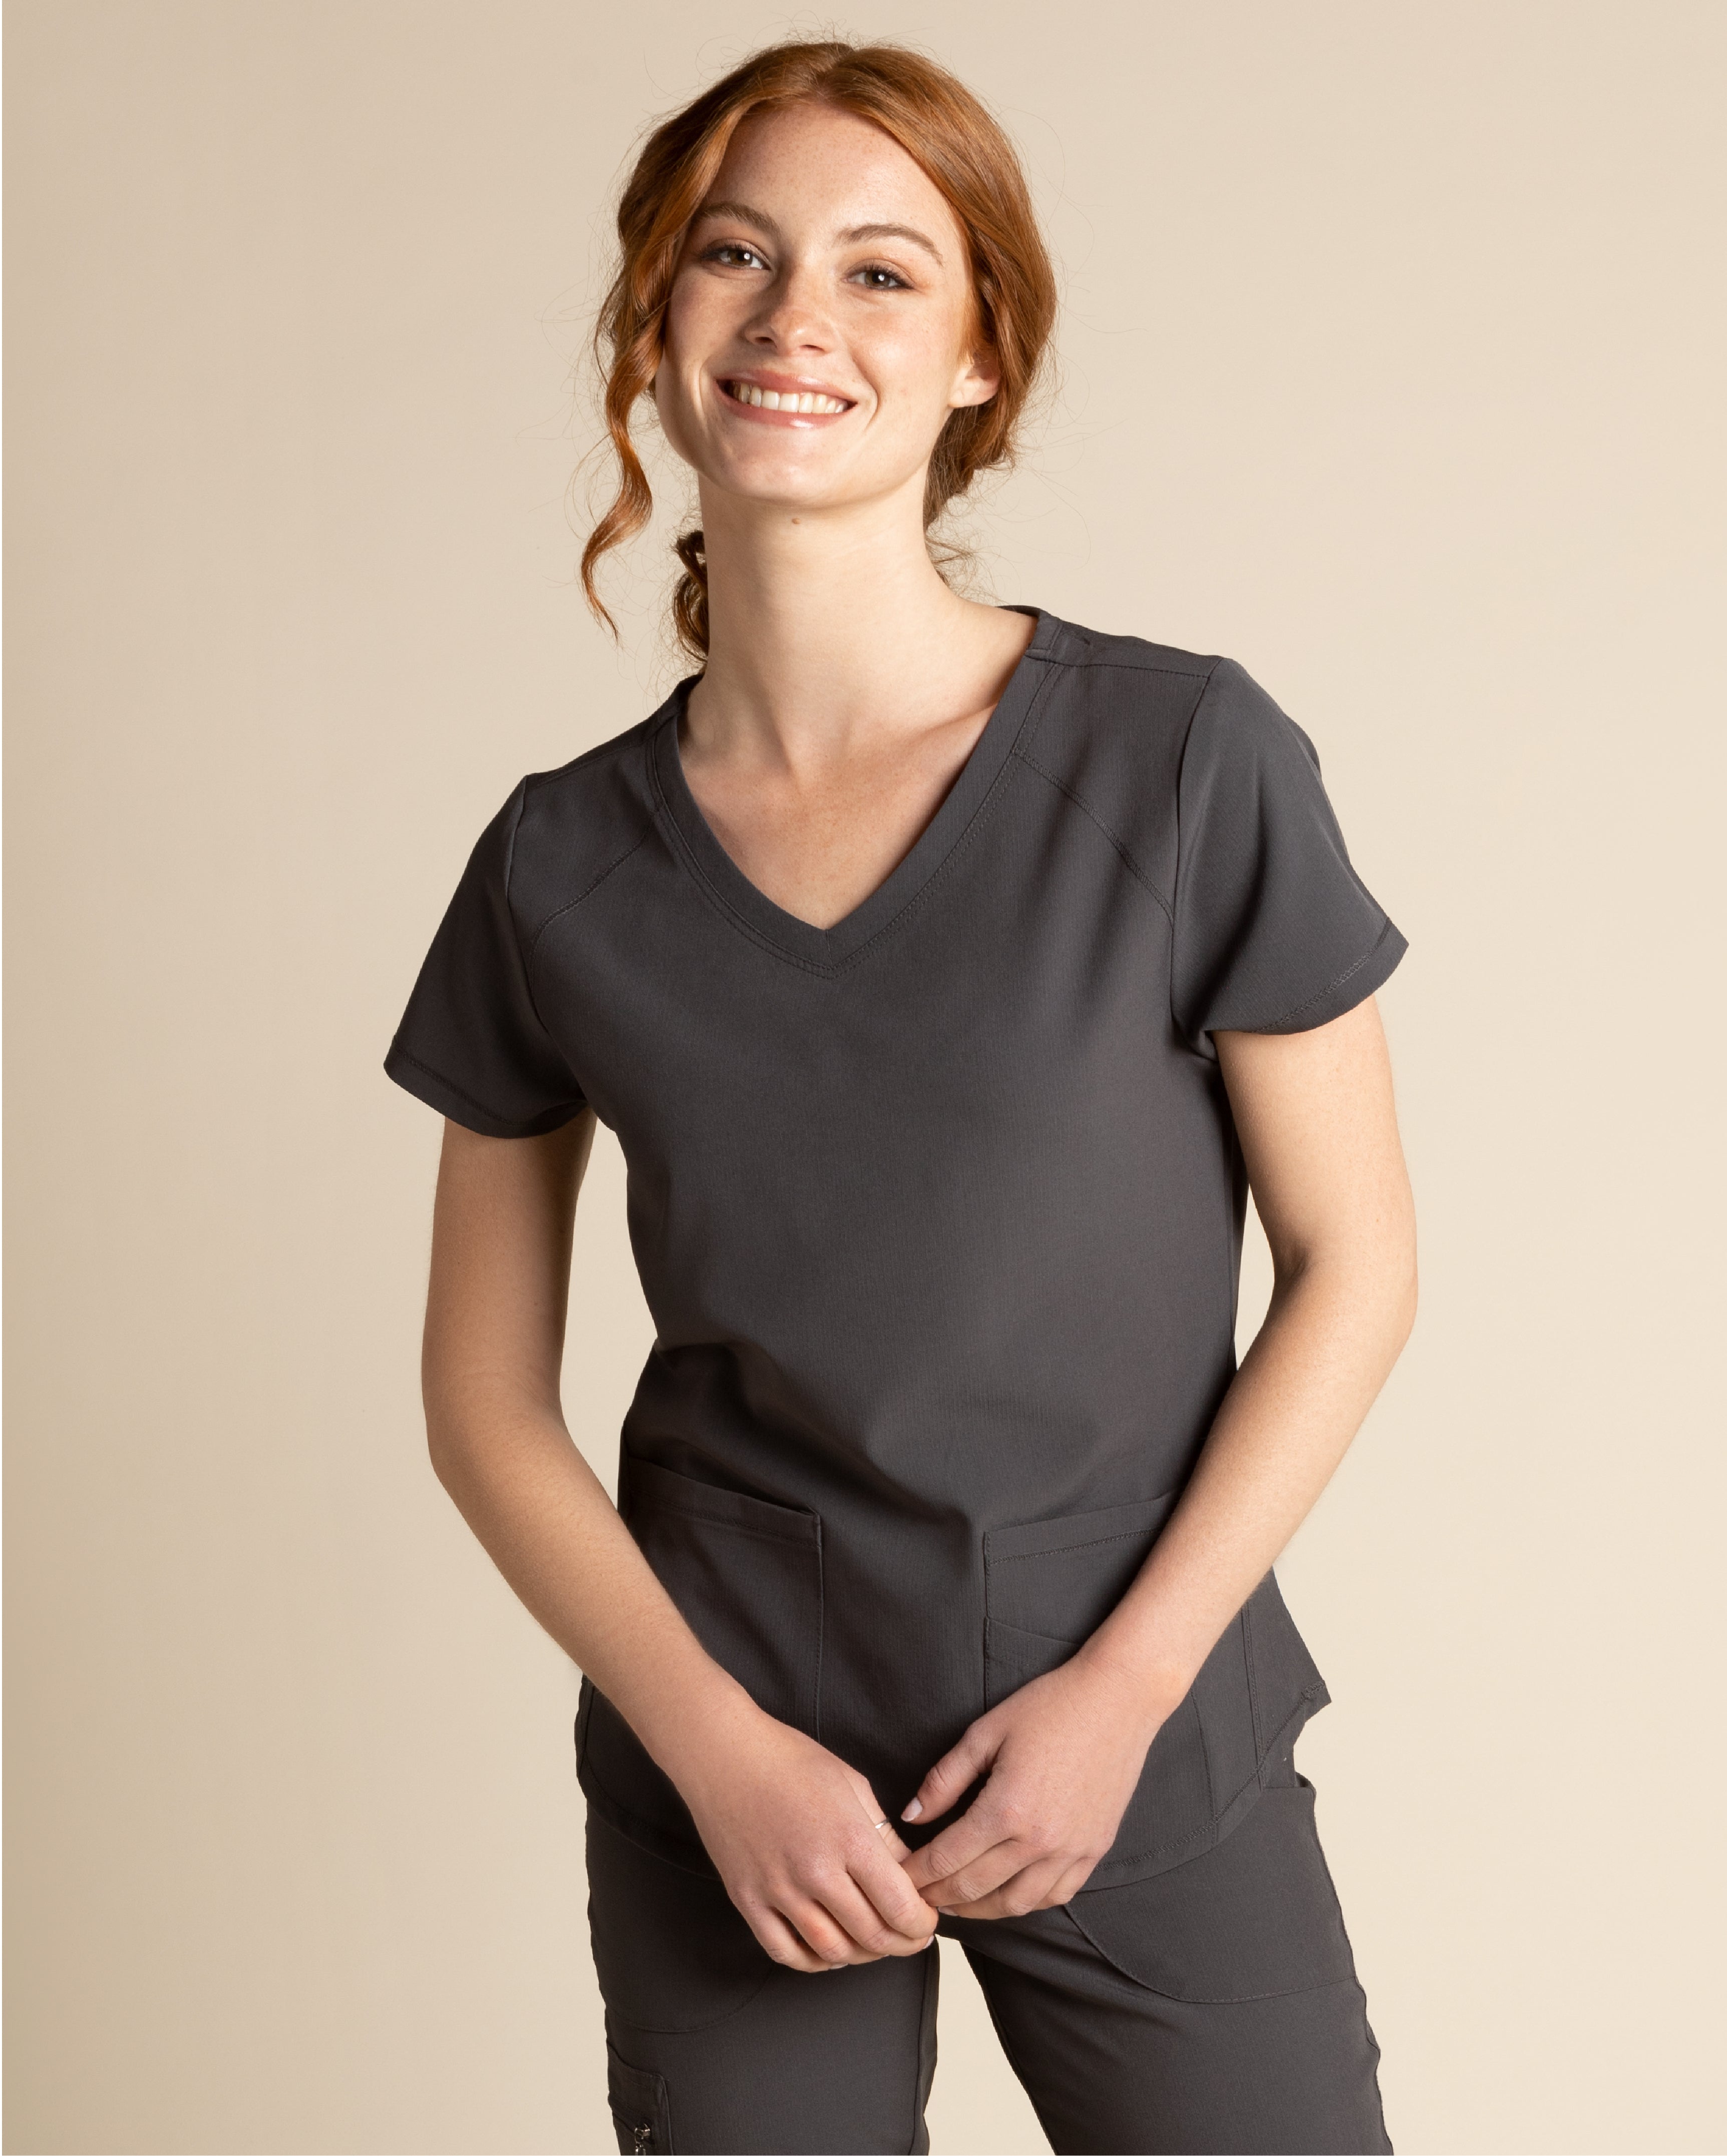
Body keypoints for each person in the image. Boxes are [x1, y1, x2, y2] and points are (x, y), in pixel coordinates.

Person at [383, 38, 1416, 2156]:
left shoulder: (1181, 764)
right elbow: (482, 1399)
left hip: (1136, 1726)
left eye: (879, 272)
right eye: (733, 256)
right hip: (735, 1772)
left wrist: (1124, 1691)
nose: (794, 319)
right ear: (655, 325)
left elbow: (1354, 1263)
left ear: (976, 358)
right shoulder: (557, 865)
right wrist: (713, 1750)